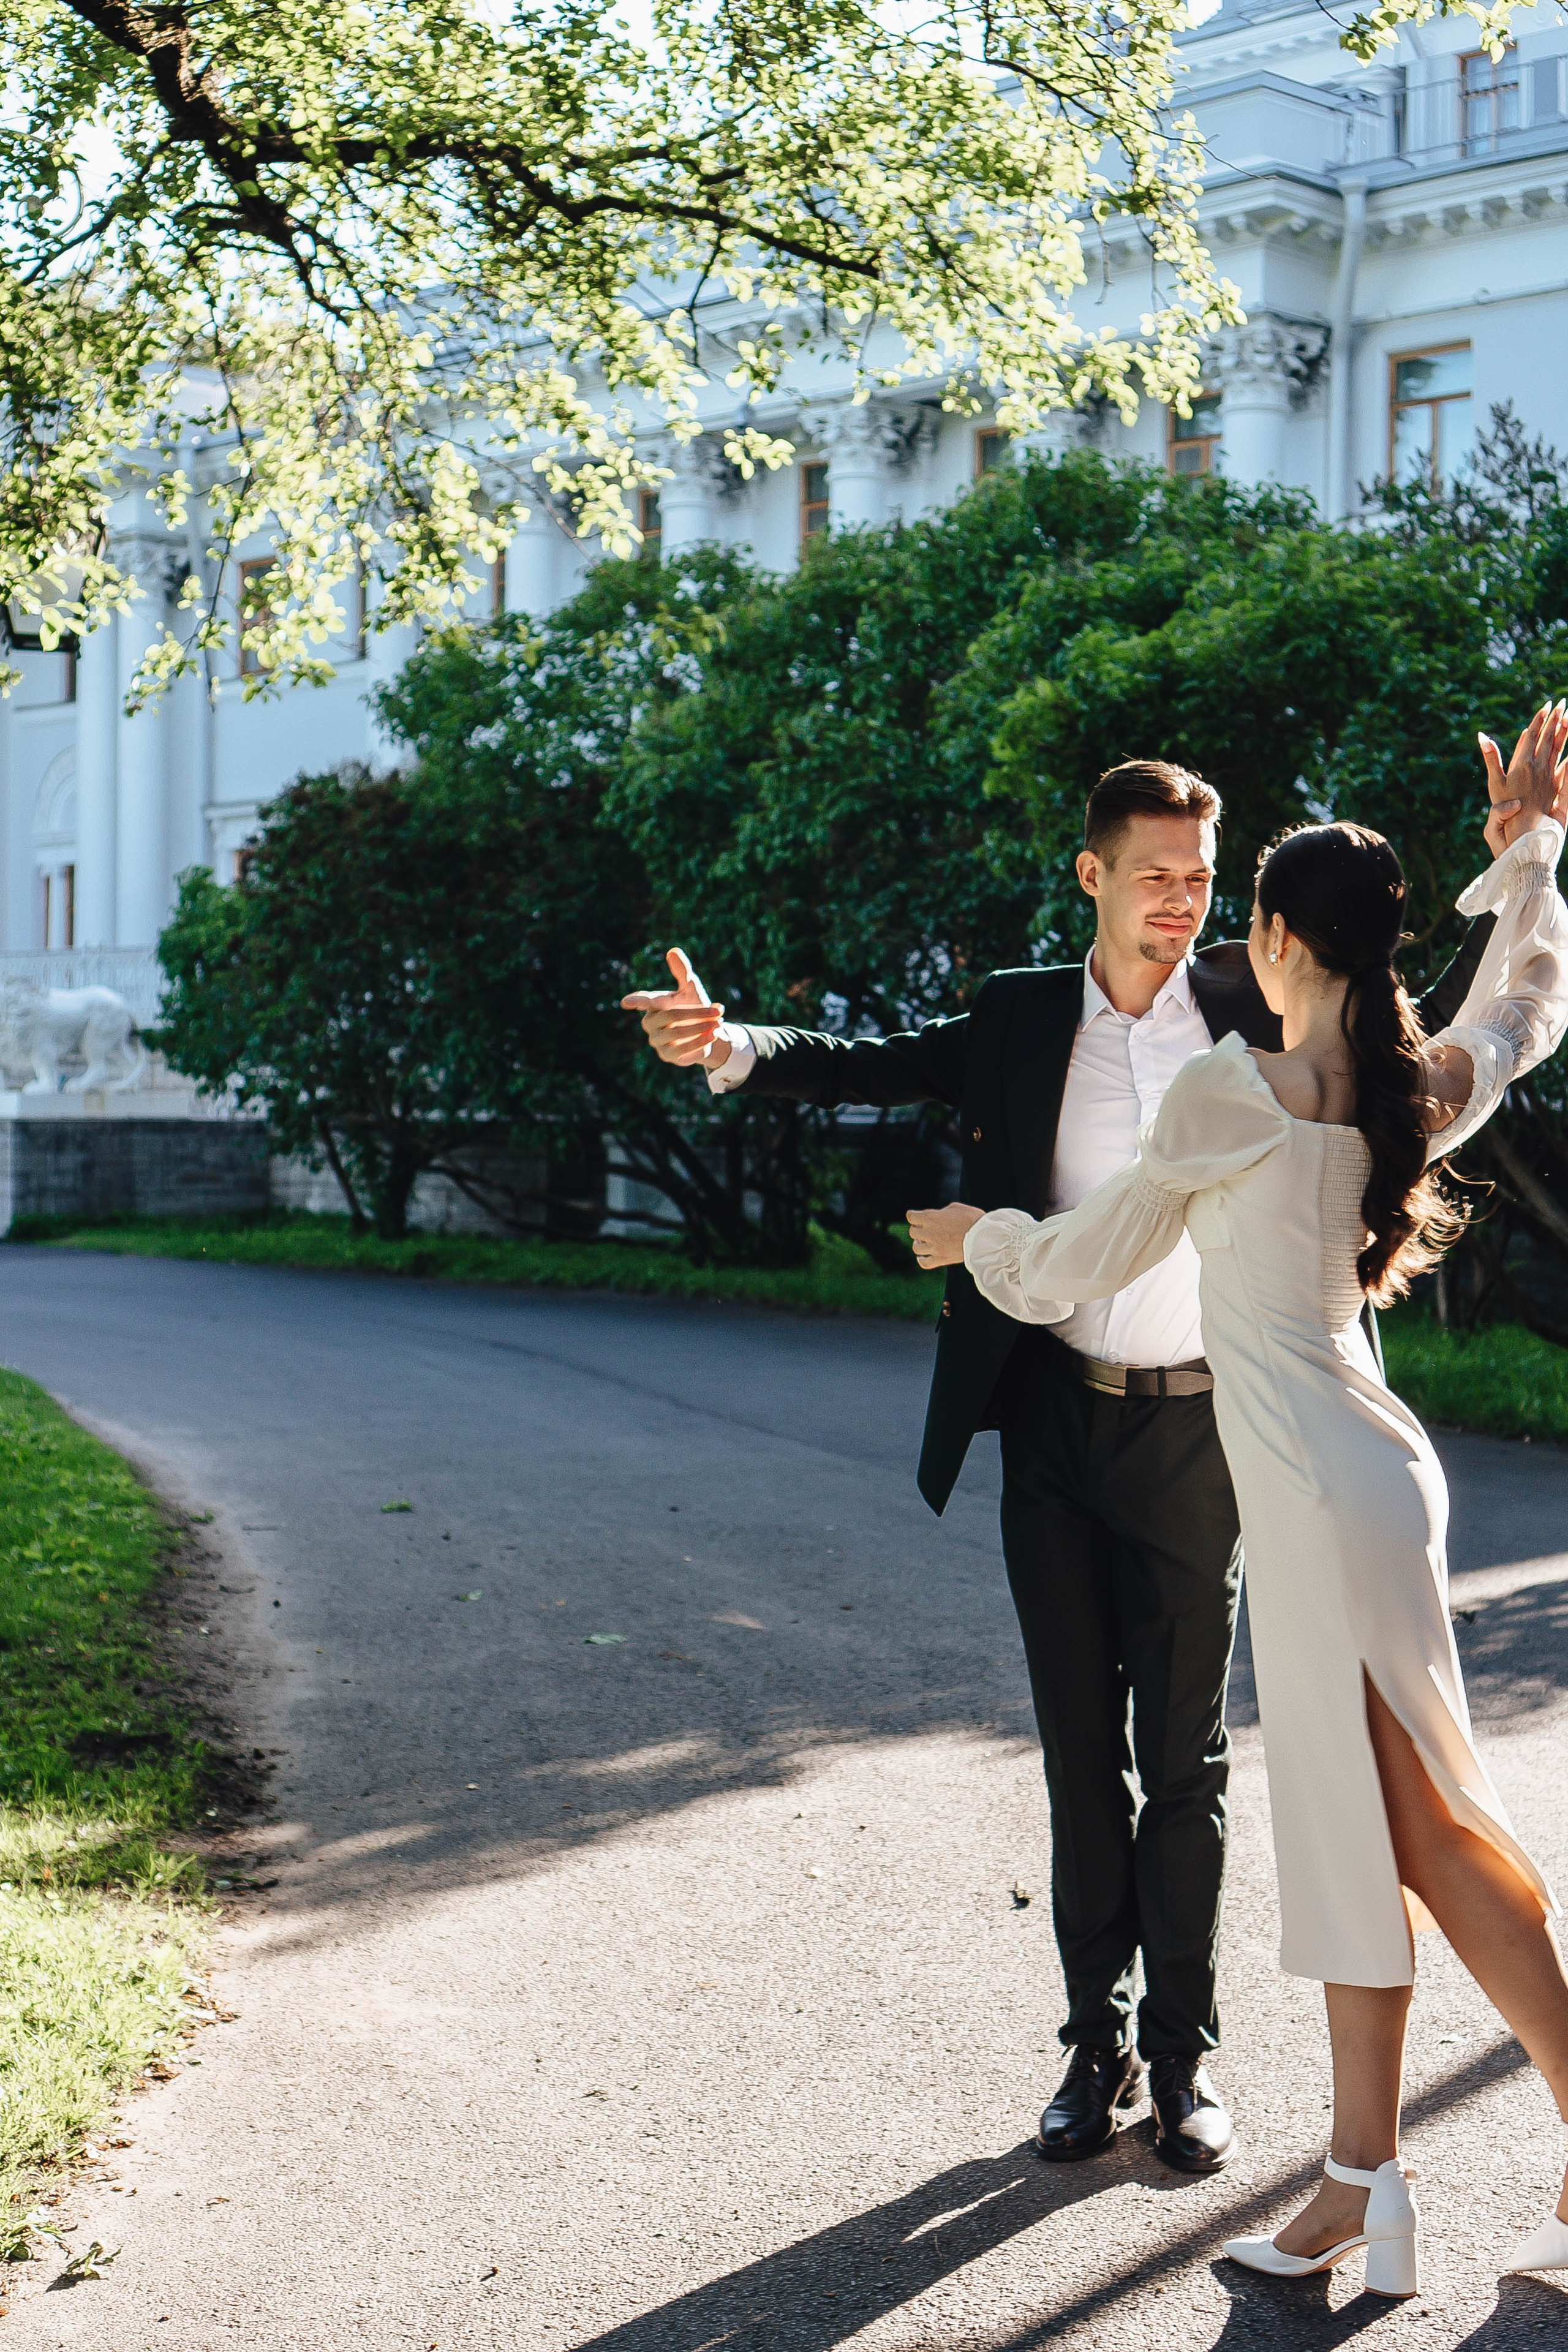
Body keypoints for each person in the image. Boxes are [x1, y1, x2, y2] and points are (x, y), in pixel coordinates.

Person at [621, 758, 1497, 2179]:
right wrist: (727, 1044)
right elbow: (856, 1059)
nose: (1181, 901)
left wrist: (1507, 873)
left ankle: (1184, 2060)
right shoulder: (1018, 1016)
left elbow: (1400, 1016)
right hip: (1052, 1424)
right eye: (1154, 874)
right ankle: (1091, 2046)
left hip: (1205, 1432)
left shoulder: (1251, 1010)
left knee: (1186, 1759)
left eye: (1202, 880)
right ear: (1089, 874)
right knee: (1078, 1756)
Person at [906, 706, 1568, 2295]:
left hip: (1323, 1505)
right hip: (1367, 1471)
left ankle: (1416, 2168)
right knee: (1370, 1836)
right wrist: (1535, 855)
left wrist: (974, 1239)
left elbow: (1080, 1258)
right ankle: (1361, 2185)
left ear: (1277, 937)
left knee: (1415, 1828)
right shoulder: (1407, 1079)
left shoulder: (1228, 1092)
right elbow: (1529, 1004)